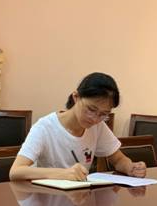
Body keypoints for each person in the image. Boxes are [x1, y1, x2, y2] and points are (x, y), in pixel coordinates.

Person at [9, 72, 147, 181]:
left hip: (80, 199)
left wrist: (130, 167)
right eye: (91, 109)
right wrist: (63, 174)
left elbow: (118, 159)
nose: (95, 119)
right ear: (76, 97)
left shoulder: (97, 126)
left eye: (103, 114)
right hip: (48, 200)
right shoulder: (45, 127)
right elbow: (15, 171)